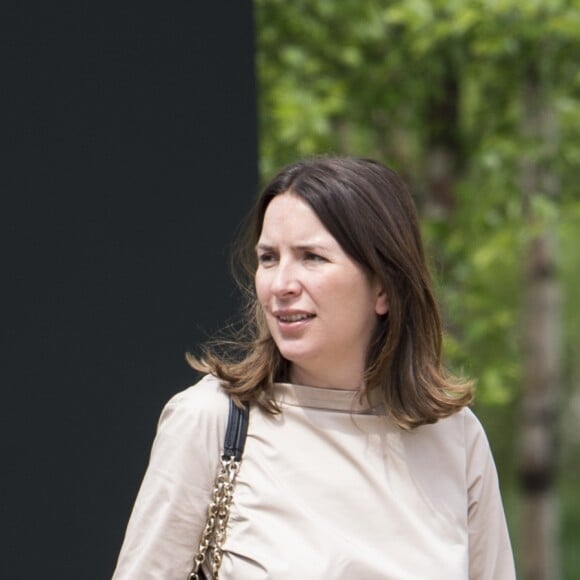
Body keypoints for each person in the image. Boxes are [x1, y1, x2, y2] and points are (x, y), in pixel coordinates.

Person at [112, 157, 516, 579]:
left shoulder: (455, 437)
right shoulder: (211, 419)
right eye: (269, 258)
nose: (281, 284)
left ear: (383, 287)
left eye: (311, 257)